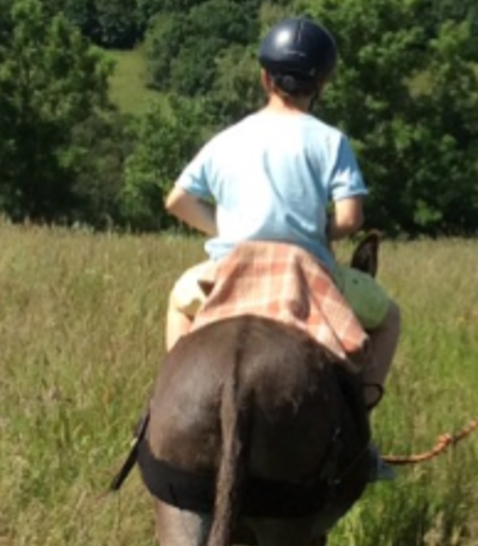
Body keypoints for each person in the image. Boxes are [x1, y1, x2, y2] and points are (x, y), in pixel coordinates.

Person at [162, 16, 403, 481]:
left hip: (230, 265)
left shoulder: (228, 138)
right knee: (389, 317)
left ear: (264, 77)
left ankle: (166, 397)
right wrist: (317, 230)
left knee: (178, 299)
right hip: (305, 270)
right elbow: (352, 219)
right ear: (322, 83)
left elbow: (177, 200)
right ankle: (362, 433)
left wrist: (223, 227)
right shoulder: (331, 141)